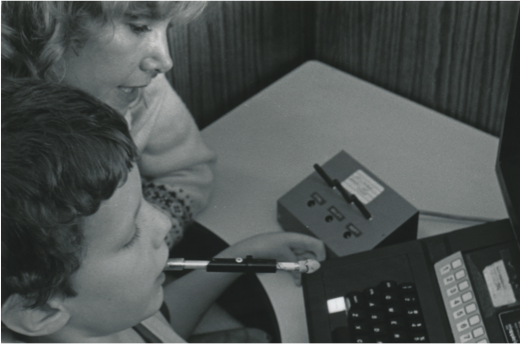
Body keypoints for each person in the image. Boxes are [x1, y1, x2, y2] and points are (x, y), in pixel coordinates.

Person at [1, 79, 326, 344]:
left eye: (144, 202)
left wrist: (246, 255)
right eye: (129, 237)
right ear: (41, 312)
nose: (164, 220)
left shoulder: (102, 315)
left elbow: (158, 324)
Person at [1, 0, 215, 249]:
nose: (164, 60)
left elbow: (187, 173)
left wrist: (141, 248)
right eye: (139, 26)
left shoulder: (137, 89)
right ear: (49, 22)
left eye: (168, 28)